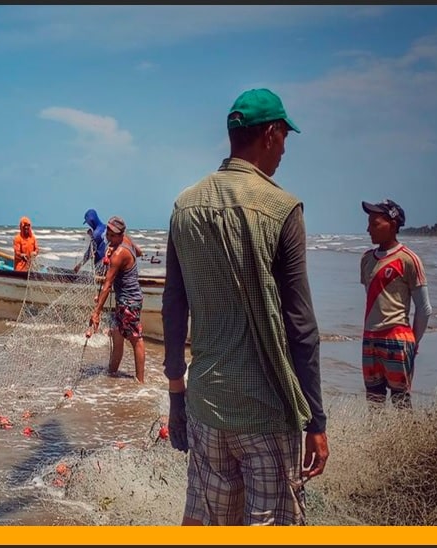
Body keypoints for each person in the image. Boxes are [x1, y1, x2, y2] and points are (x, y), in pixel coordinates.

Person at [161, 88, 329, 525]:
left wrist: (177, 399)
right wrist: (316, 419)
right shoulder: (282, 208)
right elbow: (301, 327)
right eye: (285, 138)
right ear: (271, 134)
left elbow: (174, 309)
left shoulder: (184, 206)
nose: (285, 149)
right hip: (267, 412)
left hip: (205, 408)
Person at [360, 199, 432, 409]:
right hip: (370, 338)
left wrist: (413, 342)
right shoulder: (366, 259)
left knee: (401, 403)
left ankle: (407, 442)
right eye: (368, 223)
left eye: (375, 224)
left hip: (397, 339)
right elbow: (372, 300)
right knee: (374, 402)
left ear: (392, 225)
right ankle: (378, 442)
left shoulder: (409, 259)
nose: (368, 229)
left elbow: (424, 308)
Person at [86, 216, 146, 383]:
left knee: (136, 339)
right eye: (108, 234)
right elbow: (139, 252)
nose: (109, 239)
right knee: (118, 335)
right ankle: (111, 374)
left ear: (121, 235)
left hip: (129, 301)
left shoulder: (118, 254)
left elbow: (107, 284)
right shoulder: (127, 242)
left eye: (114, 236)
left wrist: (97, 312)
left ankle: (140, 382)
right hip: (126, 300)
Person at [73, 209, 108, 274]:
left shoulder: (96, 233)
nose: (88, 224)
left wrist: (79, 266)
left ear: (90, 221)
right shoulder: (106, 228)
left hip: (100, 266)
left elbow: (90, 253)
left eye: (87, 222)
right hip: (109, 263)